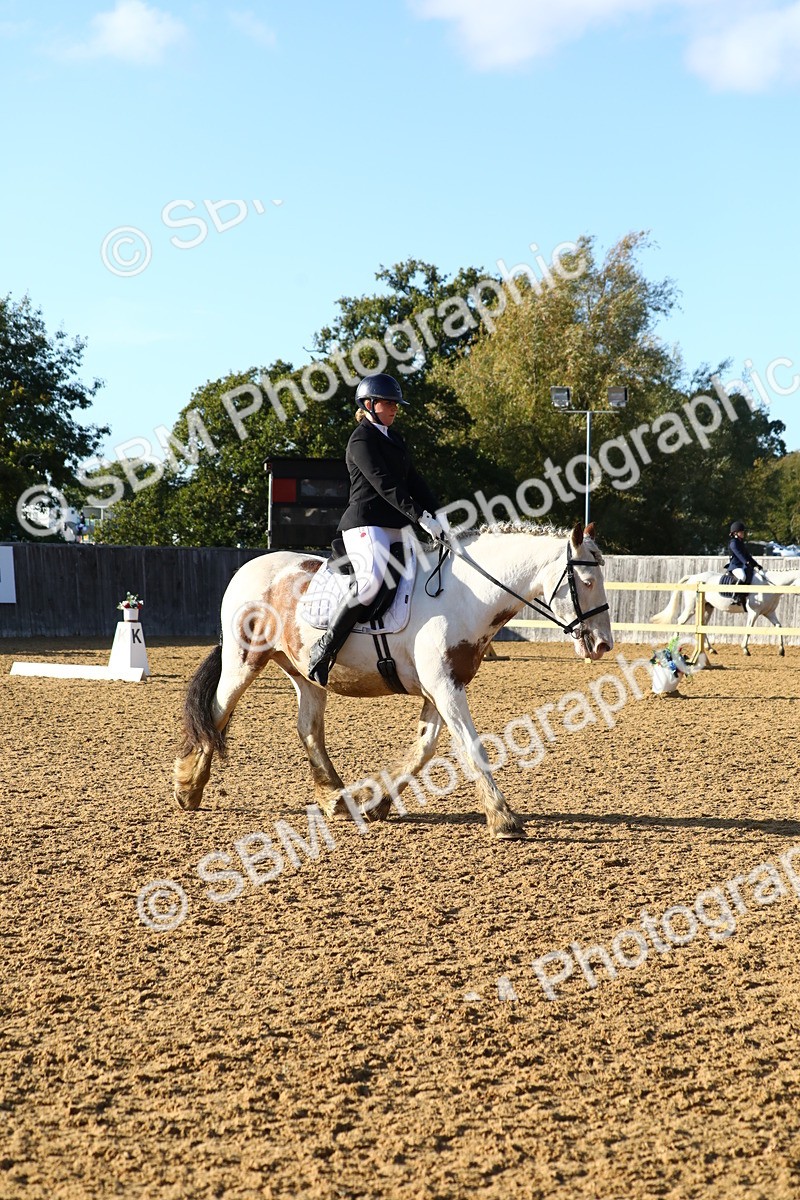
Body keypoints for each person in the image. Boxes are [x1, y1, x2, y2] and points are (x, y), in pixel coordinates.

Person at [307, 373, 444, 687]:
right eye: (389, 402)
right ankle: (326, 647)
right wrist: (420, 517)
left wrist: (440, 517)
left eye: (396, 403)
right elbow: (385, 485)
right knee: (369, 583)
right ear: (368, 404)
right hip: (366, 524)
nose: (395, 408)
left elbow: (415, 483)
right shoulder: (361, 439)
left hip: (396, 525)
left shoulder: (395, 440)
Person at [726, 519, 763, 606]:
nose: (743, 534)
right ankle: (734, 596)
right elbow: (739, 555)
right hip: (735, 566)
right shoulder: (733, 543)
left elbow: (747, 555)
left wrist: (756, 564)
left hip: (743, 565)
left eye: (743, 532)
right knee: (742, 576)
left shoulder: (740, 543)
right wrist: (746, 562)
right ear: (735, 533)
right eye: (741, 532)